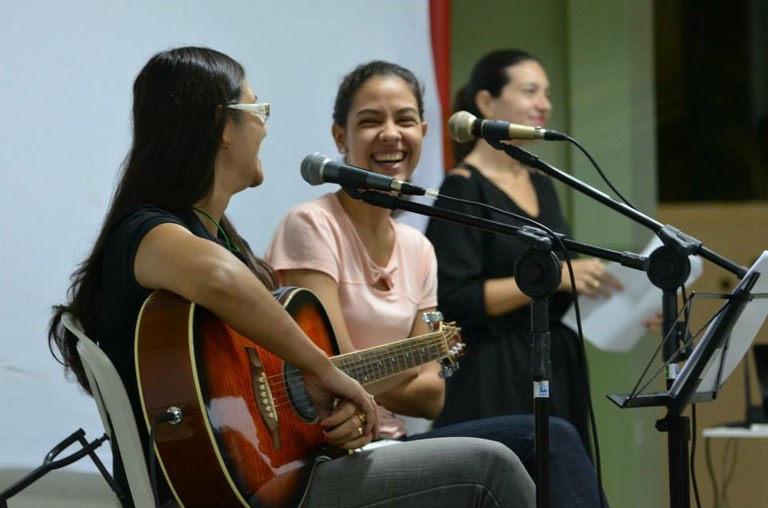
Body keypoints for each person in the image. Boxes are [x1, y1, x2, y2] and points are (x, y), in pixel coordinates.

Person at [47, 47, 535, 508]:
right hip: (232, 492)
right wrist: (326, 370)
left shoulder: (221, 240)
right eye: (257, 110)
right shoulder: (146, 232)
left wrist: (335, 424)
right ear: (222, 126)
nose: (264, 128)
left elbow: (263, 395)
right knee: (493, 467)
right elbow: (219, 278)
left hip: (277, 478)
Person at [267, 60, 606, 507]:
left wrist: (360, 372)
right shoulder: (312, 224)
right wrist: (387, 366)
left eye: (405, 120)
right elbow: (336, 366)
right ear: (339, 138)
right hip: (325, 455)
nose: (391, 133)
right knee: (513, 454)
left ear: (424, 131)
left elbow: (432, 396)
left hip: (390, 444)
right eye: (370, 121)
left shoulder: (417, 247)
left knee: (549, 436)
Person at [424, 49, 623, 450]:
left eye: (546, 94)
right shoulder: (463, 187)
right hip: (493, 371)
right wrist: (556, 279)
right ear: (485, 102)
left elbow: (562, 280)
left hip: (553, 361)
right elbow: (455, 298)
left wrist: (623, 299)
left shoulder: (541, 183)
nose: (544, 104)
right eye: (530, 91)